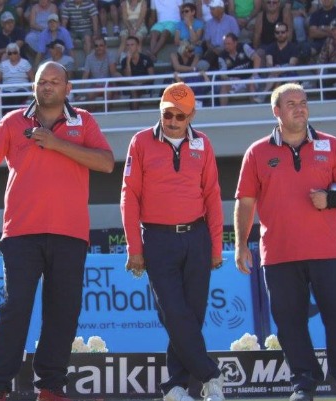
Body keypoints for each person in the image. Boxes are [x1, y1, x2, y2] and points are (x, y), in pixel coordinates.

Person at [0, 61, 115, 401]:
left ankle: (50, 388)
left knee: (63, 311)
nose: (47, 86)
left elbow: (107, 163)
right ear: (33, 86)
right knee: (15, 309)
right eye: (41, 81)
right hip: (21, 234)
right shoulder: (12, 122)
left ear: (68, 88)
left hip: (71, 234)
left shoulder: (84, 121)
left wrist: (56, 143)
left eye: (54, 81)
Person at [234, 83, 336, 401]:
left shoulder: (332, 145)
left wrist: (332, 199)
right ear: (276, 111)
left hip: (328, 252)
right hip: (279, 255)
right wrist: (241, 245)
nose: (300, 108)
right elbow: (245, 202)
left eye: (303, 102)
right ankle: (303, 383)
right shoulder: (257, 152)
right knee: (290, 323)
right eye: (291, 104)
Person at [120, 81, 224, 401]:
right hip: (157, 239)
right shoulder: (140, 142)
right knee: (174, 313)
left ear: (191, 116)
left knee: (192, 316)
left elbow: (213, 195)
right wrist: (134, 248)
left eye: (180, 116)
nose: (173, 121)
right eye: (168, 114)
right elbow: (129, 196)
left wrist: (216, 246)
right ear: (160, 112)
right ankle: (210, 375)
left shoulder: (204, 143)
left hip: (197, 237)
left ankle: (176, 387)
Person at [0, 42, 33, 114]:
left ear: (18, 52)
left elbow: (33, 78)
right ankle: (7, 118)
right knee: (6, 99)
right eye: (10, 53)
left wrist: (32, 92)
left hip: (22, 89)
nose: (12, 55)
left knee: (17, 96)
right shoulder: (3, 65)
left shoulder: (25, 63)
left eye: (15, 52)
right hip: (7, 90)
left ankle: (15, 116)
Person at [119, 36, 156, 110]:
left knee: (135, 89)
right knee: (133, 90)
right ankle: (134, 113)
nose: (129, 47)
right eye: (127, 45)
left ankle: (133, 113)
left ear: (137, 46)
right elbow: (127, 77)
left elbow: (152, 76)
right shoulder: (124, 61)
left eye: (132, 45)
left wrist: (139, 82)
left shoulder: (146, 59)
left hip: (144, 85)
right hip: (130, 86)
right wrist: (128, 62)